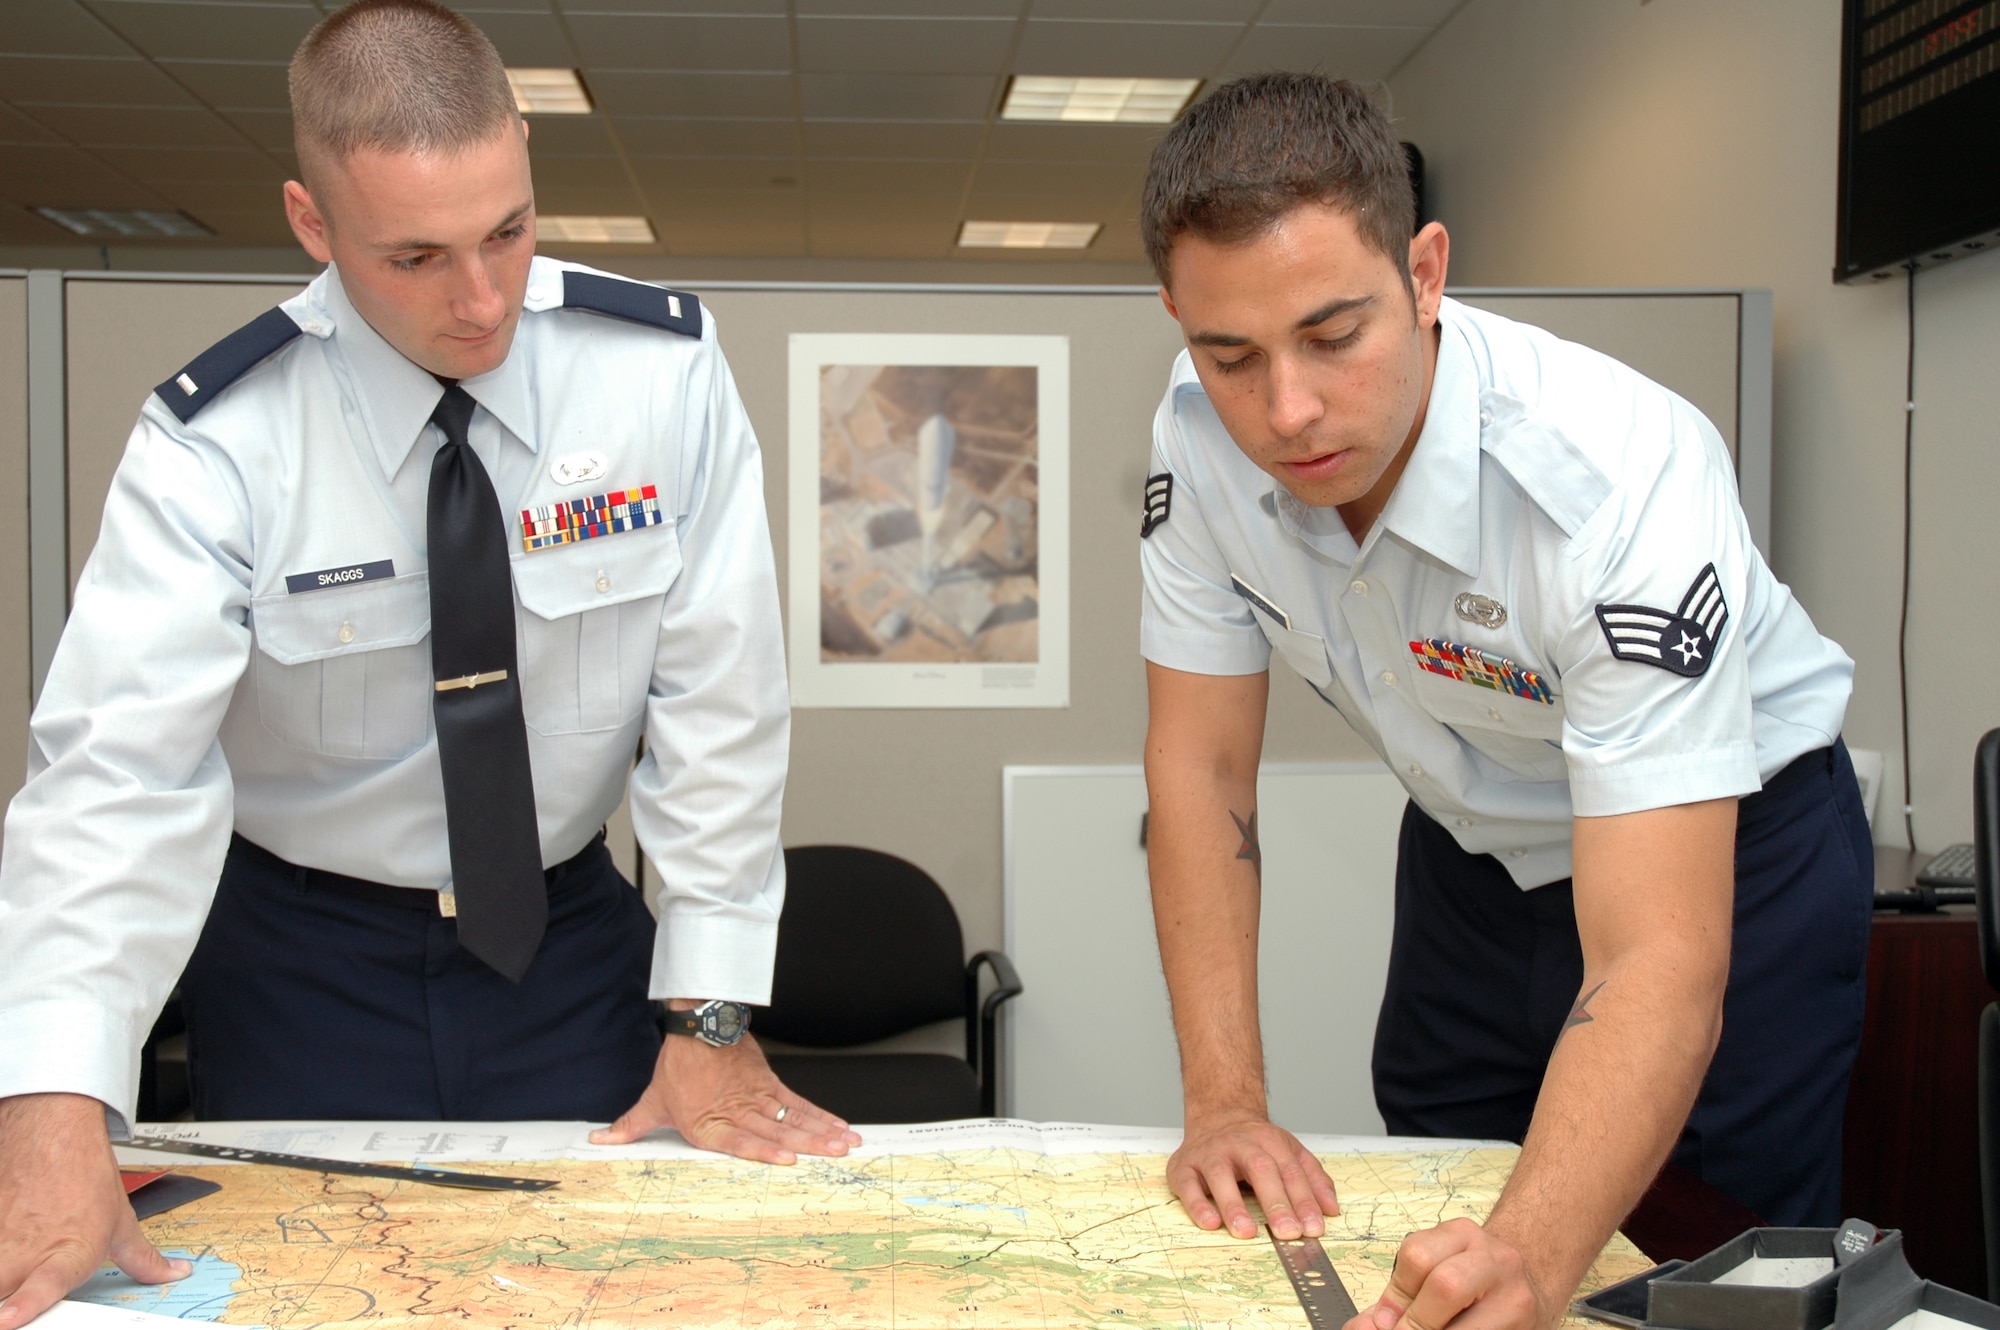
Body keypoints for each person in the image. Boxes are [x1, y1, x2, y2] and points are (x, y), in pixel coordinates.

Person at [0, 4, 858, 1327]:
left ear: (521, 154)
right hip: (301, 963)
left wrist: (711, 1016)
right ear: (311, 220)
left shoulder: (658, 376)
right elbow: (118, 774)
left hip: (567, 953)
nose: (483, 299)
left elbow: (720, 709)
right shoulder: (215, 446)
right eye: (414, 255)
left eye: (506, 230)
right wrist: (55, 1100)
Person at [1136, 73, 1870, 1330]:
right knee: (1431, 1225)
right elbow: (1200, 773)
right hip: (1471, 851)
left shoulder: (1614, 474)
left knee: (1696, 1266)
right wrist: (1225, 1103)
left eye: (1332, 335)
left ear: (1425, 273)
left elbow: (1654, 952)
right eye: (1231, 355)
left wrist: (1529, 1250)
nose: (1287, 411)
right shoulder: (1198, 437)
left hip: (1726, 856)